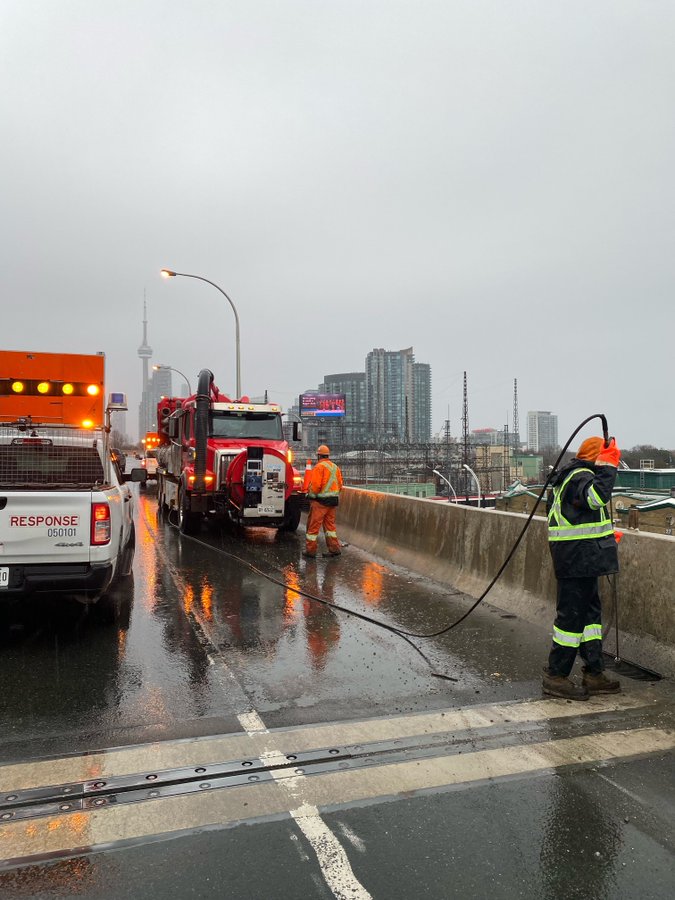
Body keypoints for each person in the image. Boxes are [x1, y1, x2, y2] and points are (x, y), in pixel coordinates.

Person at [542, 436, 622, 700]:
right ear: (596, 458)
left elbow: (580, 516)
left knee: (589, 618)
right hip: (575, 559)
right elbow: (596, 498)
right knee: (571, 619)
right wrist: (608, 467)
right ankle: (556, 676)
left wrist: (604, 539)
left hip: (582, 557)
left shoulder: (574, 475)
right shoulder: (580, 475)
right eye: (604, 459)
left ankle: (594, 673)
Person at [303, 445, 343, 559]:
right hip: (332, 501)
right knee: (330, 527)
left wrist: (310, 495)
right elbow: (340, 485)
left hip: (320, 502)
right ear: (328, 455)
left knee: (313, 527)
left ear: (319, 455)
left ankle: (311, 551)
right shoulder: (335, 467)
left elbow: (315, 485)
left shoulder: (319, 467)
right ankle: (334, 549)